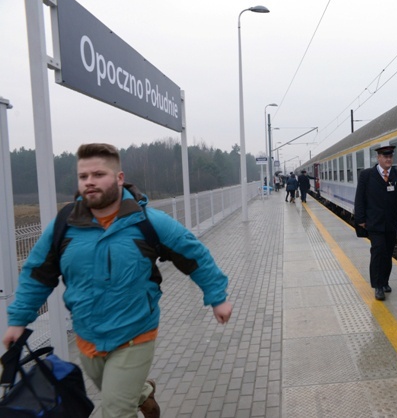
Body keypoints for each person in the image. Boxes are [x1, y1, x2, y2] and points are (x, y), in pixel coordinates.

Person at [2, 143, 233, 418]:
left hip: (135, 333)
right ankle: (143, 394)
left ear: (119, 178)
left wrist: (217, 297)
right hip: (87, 336)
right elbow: (37, 273)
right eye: (83, 176)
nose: (89, 182)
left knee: (115, 411)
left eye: (98, 174)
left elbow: (194, 255)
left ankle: (133, 394)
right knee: (120, 395)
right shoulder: (65, 225)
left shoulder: (148, 222)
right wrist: (18, 320)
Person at [353, 145, 397, 301]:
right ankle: (378, 286)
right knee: (378, 252)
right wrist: (360, 219)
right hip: (373, 224)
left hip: (391, 223)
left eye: (390, 157)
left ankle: (385, 281)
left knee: (388, 254)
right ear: (379, 158)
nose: (389, 159)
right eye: (385, 157)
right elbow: (359, 198)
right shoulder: (366, 176)